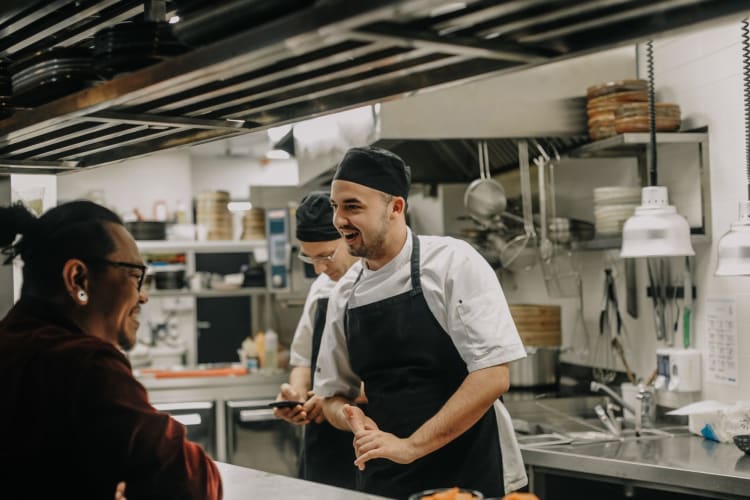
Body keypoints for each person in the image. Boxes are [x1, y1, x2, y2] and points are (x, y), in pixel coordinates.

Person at [315, 146, 528, 500]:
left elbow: (493, 375)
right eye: (335, 207)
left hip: (468, 474)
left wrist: (412, 446)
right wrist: (350, 417)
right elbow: (330, 396)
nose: (338, 220)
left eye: (352, 206)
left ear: (396, 207)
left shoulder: (451, 263)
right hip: (386, 475)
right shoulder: (345, 293)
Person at [0, 200, 223, 500]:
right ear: (78, 278)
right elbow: (192, 485)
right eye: (134, 275)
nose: (142, 296)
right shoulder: (87, 365)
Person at [272, 191, 361, 489]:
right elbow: (302, 359)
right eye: (309, 258)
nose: (319, 269)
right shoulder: (323, 287)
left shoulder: (381, 283)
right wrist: (295, 396)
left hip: (370, 436)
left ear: (350, 237)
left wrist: (333, 401)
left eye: (325, 255)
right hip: (324, 445)